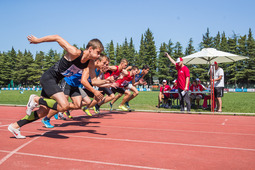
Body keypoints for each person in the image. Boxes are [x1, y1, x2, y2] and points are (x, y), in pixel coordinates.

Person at [8, 34, 105, 138]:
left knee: (43, 112)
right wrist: (37, 40)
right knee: (64, 105)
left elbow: (94, 81)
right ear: (90, 49)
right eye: (98, 52)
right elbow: (57, 37)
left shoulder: (89, 63)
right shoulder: (75, 52)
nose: (99, 55)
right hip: (49, 78)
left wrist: (108, 81)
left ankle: (15, 126)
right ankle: (36, 99)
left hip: (55, 81)